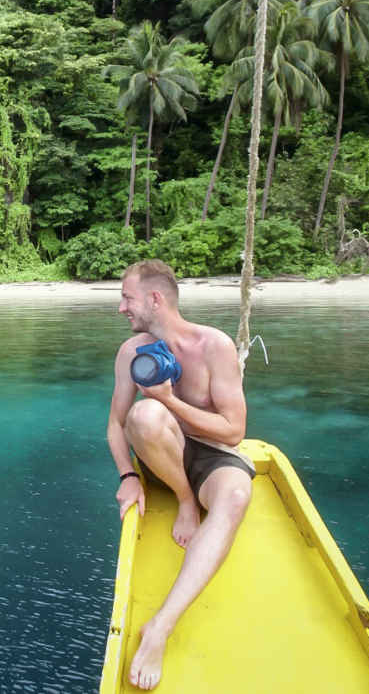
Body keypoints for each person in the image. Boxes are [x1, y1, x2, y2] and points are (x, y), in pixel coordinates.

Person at [106, 259, 256, 691]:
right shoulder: (131, 351)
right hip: (163, 454)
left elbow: (234, 430)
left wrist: (170, 399)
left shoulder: (215, 346)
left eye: (127, 297)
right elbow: (117, 425)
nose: (121, 308)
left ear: (155, 299)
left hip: (212, 453)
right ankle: (186, 500)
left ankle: (160, 627)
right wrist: (126, 476)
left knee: (235, 498)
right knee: (144, 415)